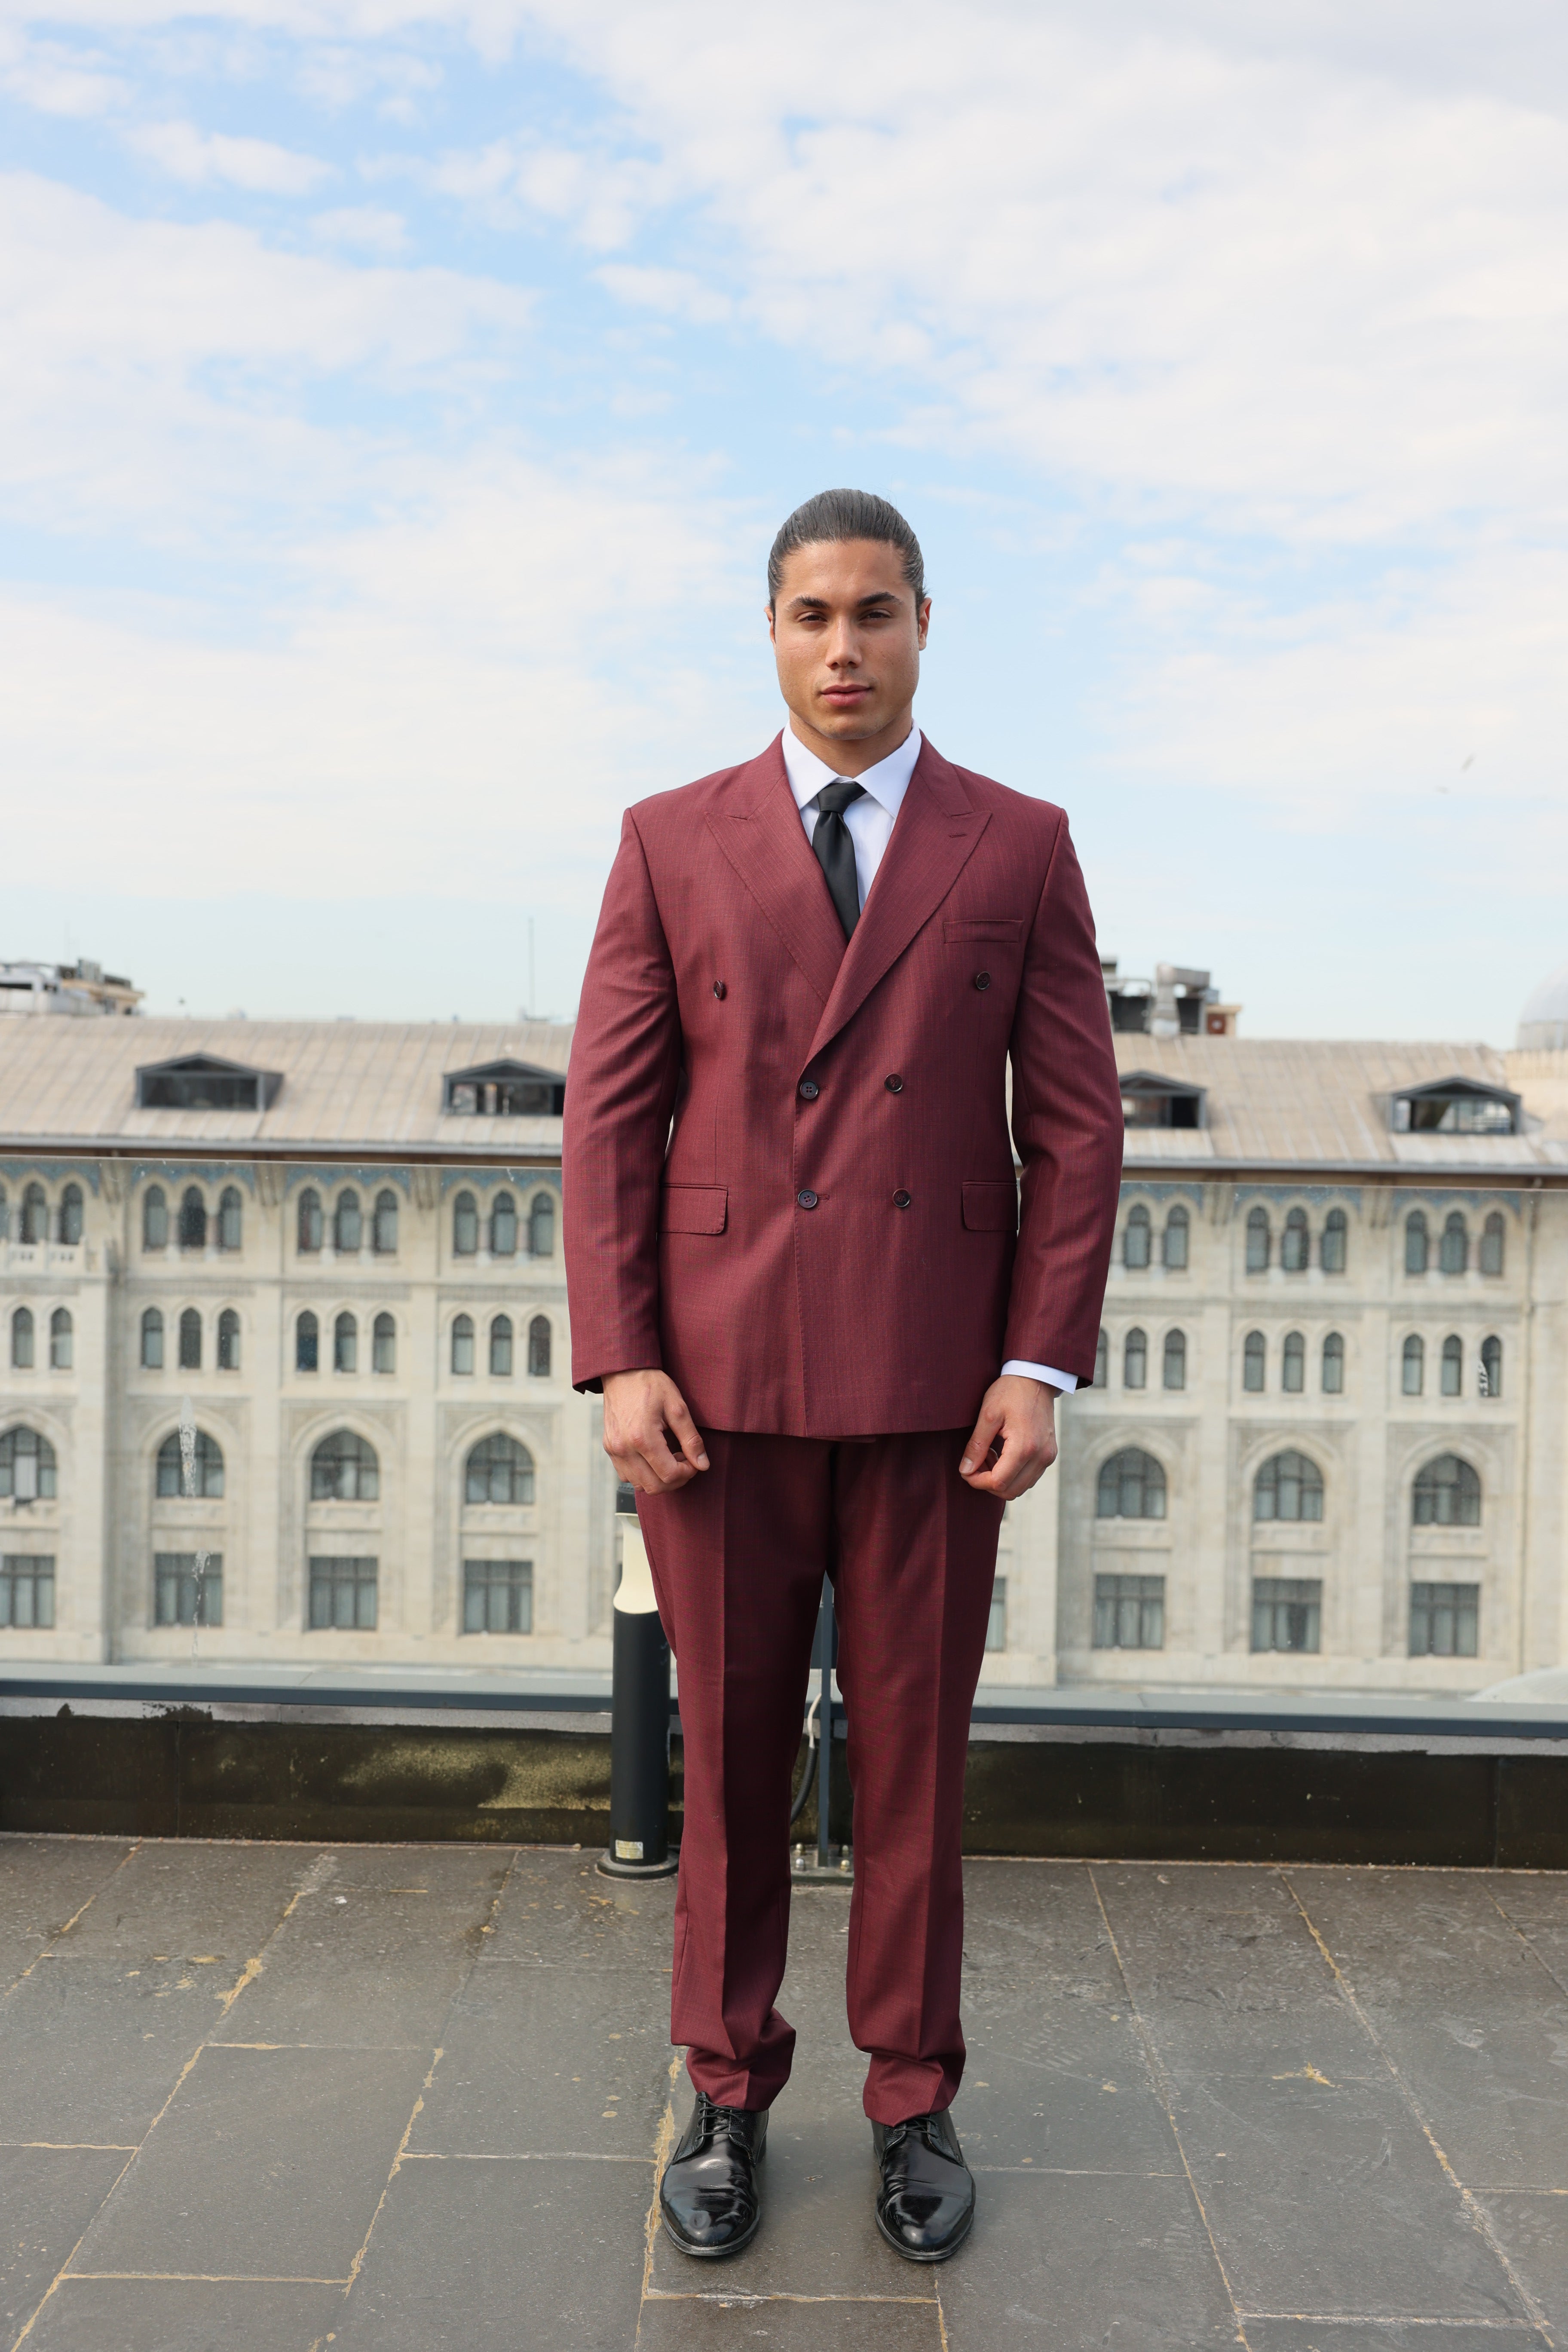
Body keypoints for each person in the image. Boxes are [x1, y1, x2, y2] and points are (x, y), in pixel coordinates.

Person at [563, 488, 1122, 2263]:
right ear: (773, 629)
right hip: (713, 1388)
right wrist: (622, 1354)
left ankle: (912, 2094)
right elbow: (610, 1116)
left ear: (927, 623)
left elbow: (1079, 1126)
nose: (844, 647)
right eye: (812, 614)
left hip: (938, 1382)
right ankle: (725, 2087)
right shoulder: (669, 836)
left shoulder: (1020, 842)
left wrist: (1041, 1360)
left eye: (875, 612)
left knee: (914, 1765)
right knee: (724, 1761)